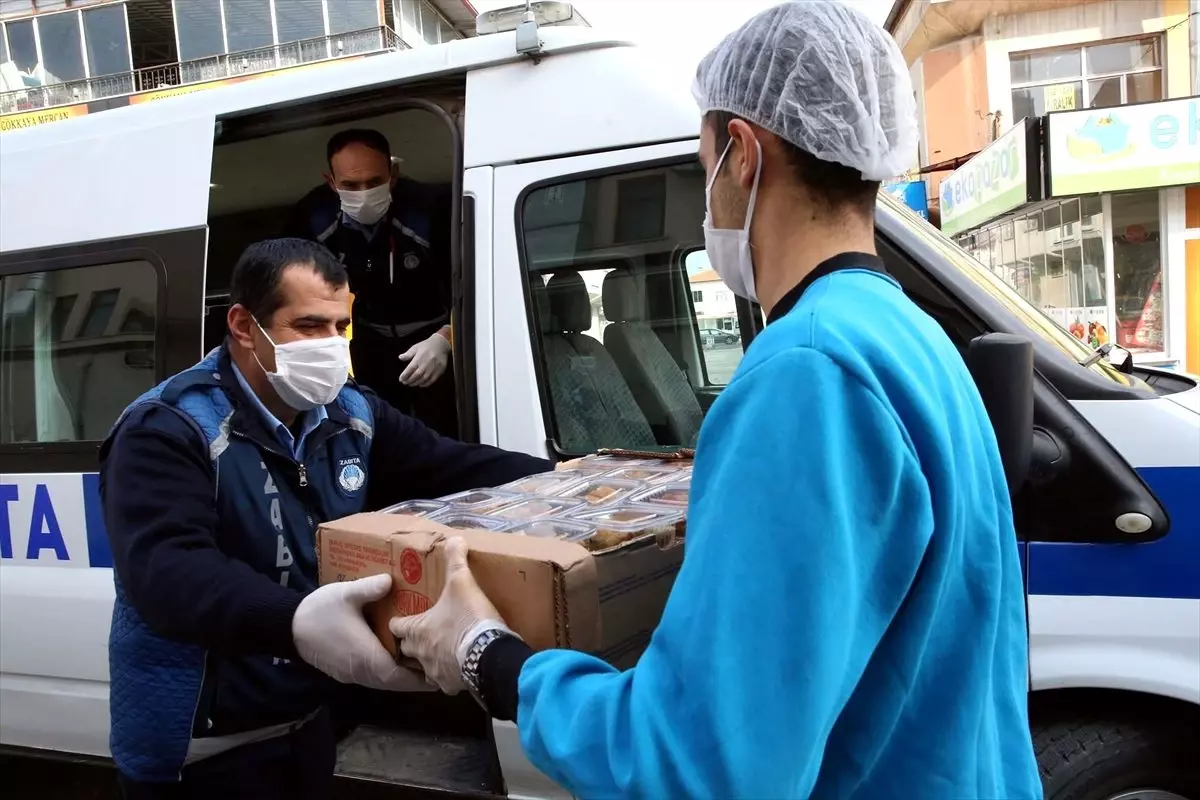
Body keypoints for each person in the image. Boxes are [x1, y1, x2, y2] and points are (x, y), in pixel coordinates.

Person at [387, 3, 1044, 798]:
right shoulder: (908, 333)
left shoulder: (806, 373)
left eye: (703, 166)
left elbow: (699, 765)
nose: (708, 202)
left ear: (741, 153)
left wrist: (488, 657)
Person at [101, 237, 550, 799]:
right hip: (202, 747)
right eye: (309, 326)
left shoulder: (348, 413)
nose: (331, 346)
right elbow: (168, 573)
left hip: (307, 719)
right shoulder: (168, 428)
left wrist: (570, 475)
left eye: (341, 328)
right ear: (243, 325)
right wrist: (298, 622)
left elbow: (450, 466)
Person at [289, 128, 458, 437]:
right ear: (331, 182)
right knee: (378, 425)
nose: (364, 193)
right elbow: (304, 296)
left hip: (433, 331)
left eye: (375, 182)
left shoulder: (431, 210)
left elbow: (472, 288)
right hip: (369, 337)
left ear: (393, 174)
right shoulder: (313, 219)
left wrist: (447, 339)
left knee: (443, 423)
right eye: (351, 185)